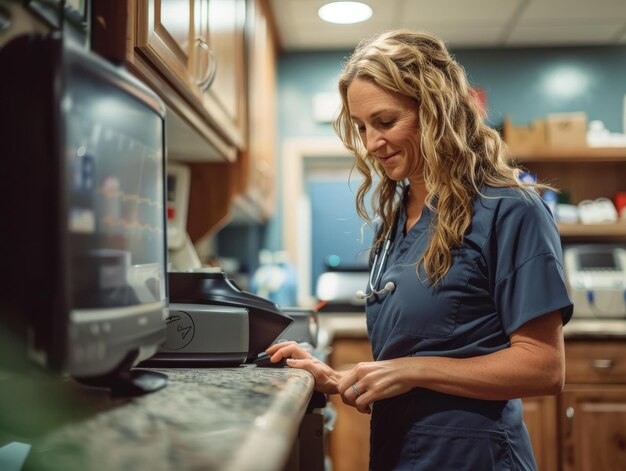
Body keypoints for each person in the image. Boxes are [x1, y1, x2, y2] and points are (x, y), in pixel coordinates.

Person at [267, 30, 573, 470]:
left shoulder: (509, 210)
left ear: (434, 110)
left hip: (474, 458)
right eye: (361, 128)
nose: (371, 143)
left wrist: (410, 370)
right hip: (399, 454)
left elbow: (544, 366)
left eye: (386, 122)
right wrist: (340, 379)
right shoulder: (394, 219)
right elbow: (408, 355)